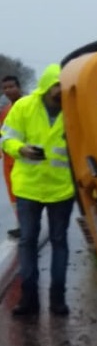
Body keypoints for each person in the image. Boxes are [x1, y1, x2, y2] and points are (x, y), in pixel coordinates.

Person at [0, 64, 74, 317]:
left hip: (61, 188)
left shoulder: (74, 109)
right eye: (57, 86)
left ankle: (58, 300)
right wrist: (21, 149)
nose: (61, 91)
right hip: (29, 187)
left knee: (59, 242)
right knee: (27, 241)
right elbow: (6, 138)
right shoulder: (24, 107)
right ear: (47, 85)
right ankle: (29, 299)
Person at [0, 75, 24, 238]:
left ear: (19, 87)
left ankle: (28, 225)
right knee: (13, 194)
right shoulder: (5, 110)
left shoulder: (28, 106)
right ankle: (21, 224)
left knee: (24, 193)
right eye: (5, 88)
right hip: (8, 158)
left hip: (23, 158)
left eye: (11, 86)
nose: (8, 90)